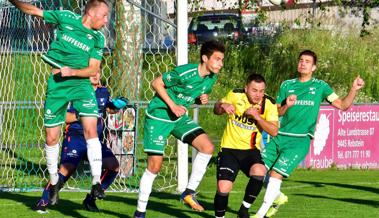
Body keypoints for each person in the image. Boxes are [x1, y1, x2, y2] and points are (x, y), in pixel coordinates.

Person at [9, 0, 109, 201]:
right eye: (104, 16)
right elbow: (33, 10)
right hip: (58, 84)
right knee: (51, 137)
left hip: (81, 85)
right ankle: (54, 183)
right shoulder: (66, 18)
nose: (106, 21)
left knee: (91, 128)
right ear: (91, 14)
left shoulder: (98, 38)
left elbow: (93, 69)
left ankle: (96, 182)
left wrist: (73, 71)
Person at [252, 50, 365, 218]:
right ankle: (278, 196)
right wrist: (286, 107)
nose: (303, 63)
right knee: (256, 172)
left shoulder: (321, 87)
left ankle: (260, 215)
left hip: (300, 140)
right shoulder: (286, 85)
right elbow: (278, 112)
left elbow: (342, 105)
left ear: (314, 67)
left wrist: (353, 89)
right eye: (301, 60)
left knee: (276, 175)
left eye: (307, 61)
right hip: (279, 136)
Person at [133, 40, 225, 218]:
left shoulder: (211, 78)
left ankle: (188, 192)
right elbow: (156, 83)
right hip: (159, 115)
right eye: (217, 59)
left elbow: (191, 95)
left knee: (207, 147)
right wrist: (173, 106)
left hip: (179, 117)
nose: (220, 64)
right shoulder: (186, 72)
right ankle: (140, 212)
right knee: (155, 165)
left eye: (222, 60)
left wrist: (199, 100)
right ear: (205, 58)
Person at [34, 71, 128, 213]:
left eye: (98, 72)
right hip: (76, 138)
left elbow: (107, 109)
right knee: (65, 172)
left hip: (94, 141)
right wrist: (85, 113)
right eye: (92, 73)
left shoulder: (103, 91)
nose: (95, 75)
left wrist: (116, 106)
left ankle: (91, 200)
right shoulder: (76, 92)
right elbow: (64, 116)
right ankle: (44, 200)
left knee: (114, 166)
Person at [213, 74, 279, 218]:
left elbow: (274, 131)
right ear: (246, 88)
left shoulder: (269, 104)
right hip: (229, 150)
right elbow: (216, 109)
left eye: (261, 91)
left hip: (250, 151)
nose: (258, 94)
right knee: (223, 187)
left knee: (260, 170)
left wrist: (257, 117)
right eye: (254, 90)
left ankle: (244, 210)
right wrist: (222, 105)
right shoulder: (235, 95)